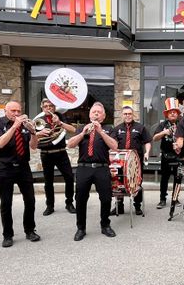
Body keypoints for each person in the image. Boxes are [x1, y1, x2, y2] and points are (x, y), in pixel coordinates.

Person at [0, 101, 40, 248]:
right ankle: (7, 235)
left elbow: (34, 146)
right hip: (6, 167)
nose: (17, 114)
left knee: (30, 200)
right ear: (6, 111)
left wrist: (33, 132)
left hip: (23, 166)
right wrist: (15, 126)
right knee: (6, 202)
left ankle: (30, 230)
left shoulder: (25, 125)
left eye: (19, 111)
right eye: (13, 111)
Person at [67, 102, 118, 241]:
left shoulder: (109, 129)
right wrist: (83, 133)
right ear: (89, 115)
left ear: (103, 116)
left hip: (102, 168)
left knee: (106, 198)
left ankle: (105, 225)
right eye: (94, 112)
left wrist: (101, 131)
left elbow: (114, 146)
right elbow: (70, 144)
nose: (96, 114)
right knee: (81, 199)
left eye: (99, 112)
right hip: (84, 168)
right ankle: (81, 228)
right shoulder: (82, 128)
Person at [35, 98, 76, 216]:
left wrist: (60, 123)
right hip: (46, 154)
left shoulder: (61, 116)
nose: (48, 108)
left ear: (54, 108)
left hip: (61, 152)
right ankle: (50, 205)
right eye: (46, 106)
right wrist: (39, 133)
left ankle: (69, 203)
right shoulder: (38, 120)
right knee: (48, 182)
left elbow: (73, 130)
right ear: (42, 108)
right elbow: (32, 138)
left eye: (51, 106)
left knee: (69, 178)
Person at [111, 106, 151, 216]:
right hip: (120, 162)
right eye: (125, 114)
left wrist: (147, 152)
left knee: (137, 182)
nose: (127, 116)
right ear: (122, 115)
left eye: (129, 114)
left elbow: (147, 141)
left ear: (133, 115)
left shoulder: (140, 127)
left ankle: (137, 206)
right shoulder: (117, 128)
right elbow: (112, 142)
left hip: (136, 161)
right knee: (118, 182)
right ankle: (119, 206)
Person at [152, 98, 182, 209]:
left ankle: (176, 198)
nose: (173, 113)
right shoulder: (162, 125)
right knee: (164, 178)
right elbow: (154, 138)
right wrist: (164, 132)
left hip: (179, 156)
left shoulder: (182, 124)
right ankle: (162, 199)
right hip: (166, 156)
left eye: (175, 111)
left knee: (178, 178)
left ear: (178, 114)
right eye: (170, 111)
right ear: (167, 114)